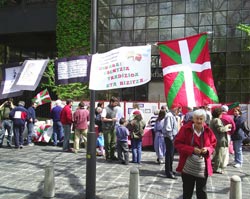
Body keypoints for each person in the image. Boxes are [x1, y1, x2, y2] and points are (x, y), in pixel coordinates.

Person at [174, 109, 217, 199]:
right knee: (187, 192)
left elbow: (213, 144)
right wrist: (192, 149)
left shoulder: (208, 130)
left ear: (204, 120)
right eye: (197, 118)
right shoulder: (185, 129)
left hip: (202, 167)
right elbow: (177, 143)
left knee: (202, 192)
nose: (199, 121)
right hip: (188, 166)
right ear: (193, 119)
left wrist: (208, 149)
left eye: (201, 119)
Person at [210, 107, 232, 174]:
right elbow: (220, 129)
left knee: (217, 154)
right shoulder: (217, 120)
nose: (222, 114)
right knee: (219, 155)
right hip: (219, 139)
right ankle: (217, 168)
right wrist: (227, 127)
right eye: (221, 113)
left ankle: (215, 167)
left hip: (216, 139)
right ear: (219, 114)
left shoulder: (213, 119)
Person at [162, 106, 178, 179]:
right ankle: (169, 172)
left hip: (171, 137)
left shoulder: (172, 115)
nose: (177, 110)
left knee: (171, 155)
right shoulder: (169, 116)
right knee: (169, 155)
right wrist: (171, 138)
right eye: (176, 108)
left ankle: (170, 169)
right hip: (169, 137)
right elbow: (168, 128)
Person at [101, 97, 119, 161]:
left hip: (113, 127)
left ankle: (112, 155)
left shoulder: (115, 109)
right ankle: (107, 156)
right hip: (106, 128)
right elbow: (102, 119)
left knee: (113, 142)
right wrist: (111, 120)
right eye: (115, 103)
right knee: (107, 142)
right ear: (111, 102)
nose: (116, 104)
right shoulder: (105, 109)